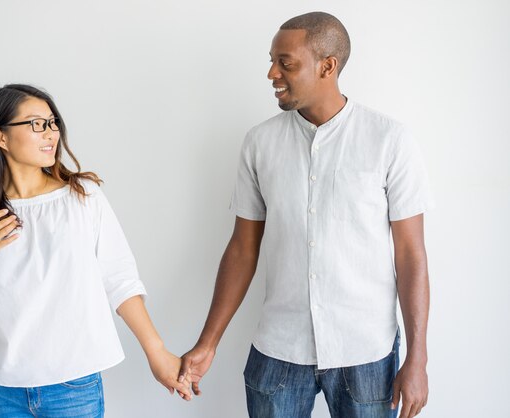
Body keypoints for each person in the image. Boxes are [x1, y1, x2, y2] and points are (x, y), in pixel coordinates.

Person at [179, 12, 433, 418]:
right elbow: (243, 249)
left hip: (365, 350)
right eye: (272, 60)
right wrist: (208, 342)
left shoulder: (389, 140)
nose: (271, 73)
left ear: (327, 66)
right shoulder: (260, 143)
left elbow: (411, 256)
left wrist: (417, 358)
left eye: (286, 62)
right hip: (279, 348)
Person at [0, 84, 191, 418]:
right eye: (36, 124)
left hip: (71, 387)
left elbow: (120, 280)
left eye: (52, 123)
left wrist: (157, 352)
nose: (50, 134)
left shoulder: (82, 198)